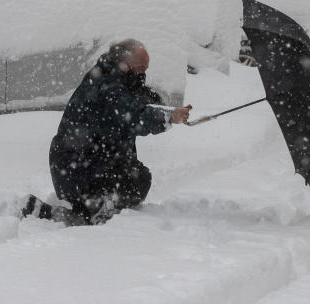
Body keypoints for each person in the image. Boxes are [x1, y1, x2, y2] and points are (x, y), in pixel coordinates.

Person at [24, 39, 191, 225]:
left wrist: (160, 105)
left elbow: (134, 97)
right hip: (78, 166)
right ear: (125, 65)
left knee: (133, 174)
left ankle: (83, 209)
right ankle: (88, 213)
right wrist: (167, 117)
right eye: (141, 67)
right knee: (137, 179)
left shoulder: (112, 77)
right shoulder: (107, 86)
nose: (144, 73)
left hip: (79, 164)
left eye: (146, 68)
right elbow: (133, 115)